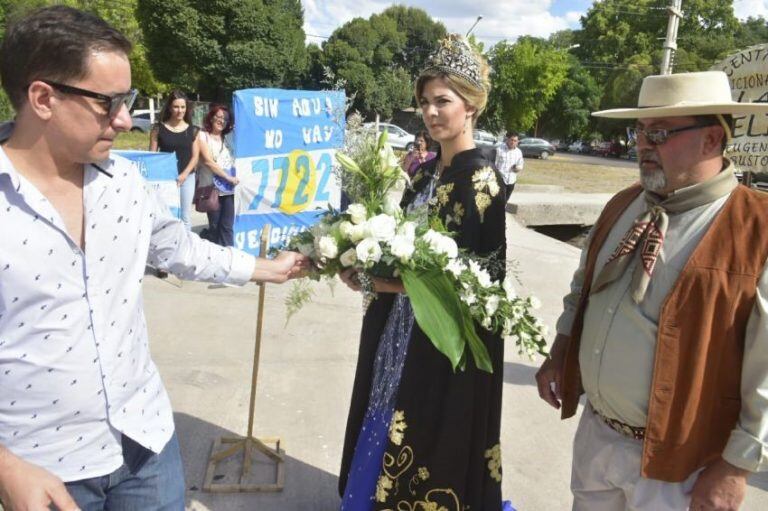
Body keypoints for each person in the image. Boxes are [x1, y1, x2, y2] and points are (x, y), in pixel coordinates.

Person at [0, 7, 305, 510]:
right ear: (43, 98)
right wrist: (7, 467)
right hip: (46, 473)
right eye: (109, 102)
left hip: (147, 444)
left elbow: (177, 247)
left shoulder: (124, 183)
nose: (124, 119)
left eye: (129, 100)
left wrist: (266, 269)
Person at [535, 71, 768, 511]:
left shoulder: (758, 229)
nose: (641, 145)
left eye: (658, 133)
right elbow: (582, 288)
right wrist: (561, 349)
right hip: (597, 437)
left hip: (682, 468)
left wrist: (736, 467)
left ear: (712, 140)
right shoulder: (624, 203)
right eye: (638, 131)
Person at [338, 34, 507, 510]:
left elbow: (468, 284)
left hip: (440, 343)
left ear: (471, 107)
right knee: (383, 410)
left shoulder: (482, 183)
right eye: (425, 103)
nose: (432, 113)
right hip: (397, 328)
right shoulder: (424, 173)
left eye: (443, 102)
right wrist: (362, 262)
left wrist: (381, 281)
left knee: (425, 433)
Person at [149, 90, 198, 230]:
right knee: (167, 215)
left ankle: (185, 248)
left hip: (187, 178)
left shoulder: (193, 130)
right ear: (170, 107)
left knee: (185, 216)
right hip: (166, 179)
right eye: (176, 107)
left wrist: (184, 174)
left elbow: (195, 157)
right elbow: (152, 156)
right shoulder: (158, 129)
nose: (179, 110)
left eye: (183, 107)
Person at [196, 104, 238, 246]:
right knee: (215, 227)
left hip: (229, 190)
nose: (221, 121)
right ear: (211, 117)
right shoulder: (203, 136)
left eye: (225, 119)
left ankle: (230, 259)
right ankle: (214, 261)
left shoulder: (229, 139)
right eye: (219, 117)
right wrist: (228, 177)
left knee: (227, 227)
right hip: (211, 188)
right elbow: (208, 162)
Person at [495, 131, 524, 200]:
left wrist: (517, 168)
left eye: (515, 141)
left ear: (517, 142)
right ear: (508, 139)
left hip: (511, 180)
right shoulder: (499, 150)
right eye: (511, 140)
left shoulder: (518, 152)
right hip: (501, 180)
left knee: (505, 202)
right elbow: (494, 164)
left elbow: (520, 165)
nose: (513, 142)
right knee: (500, 201)